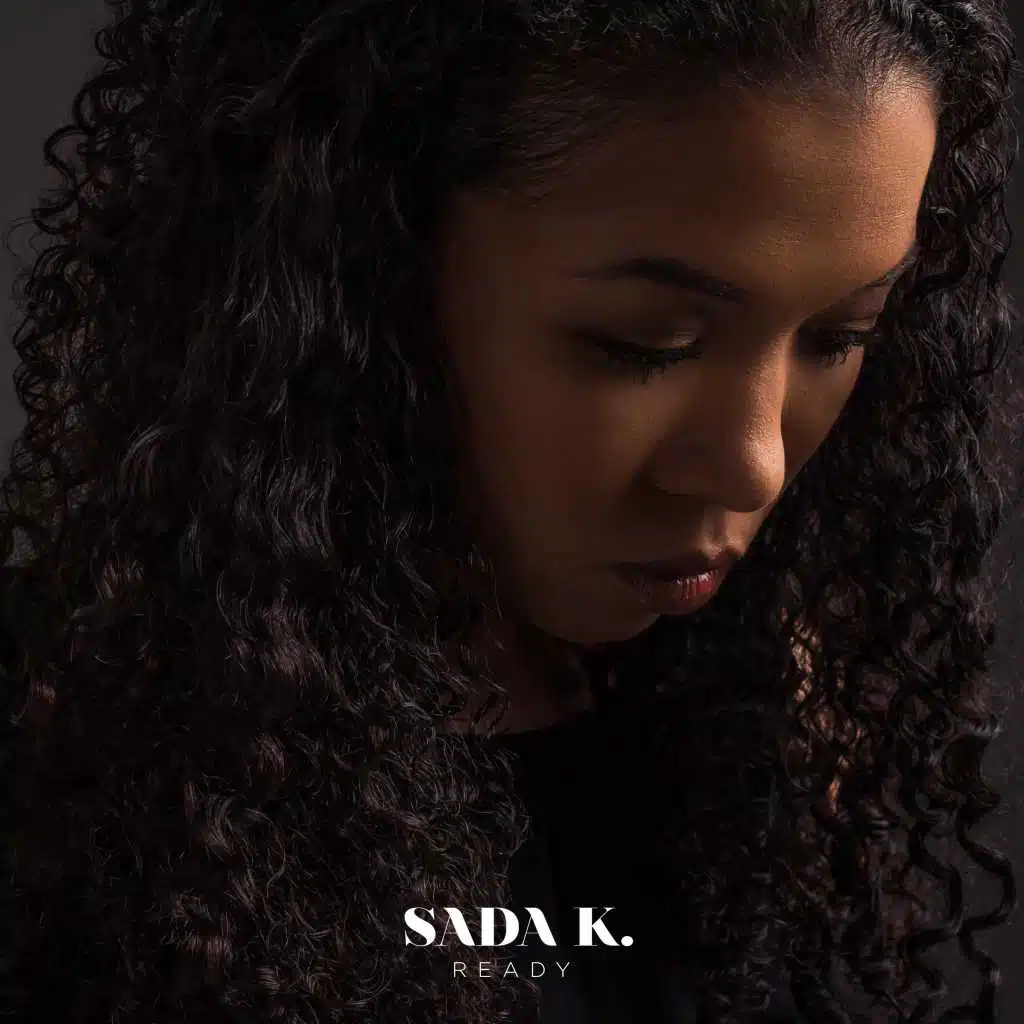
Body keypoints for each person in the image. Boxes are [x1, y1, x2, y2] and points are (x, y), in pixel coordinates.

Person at [0, 0, 1020, 1021]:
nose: (754, 467)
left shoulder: (774, 736)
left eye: (840, 335)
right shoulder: (64, 770)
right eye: (647, 344)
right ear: (365, 270)